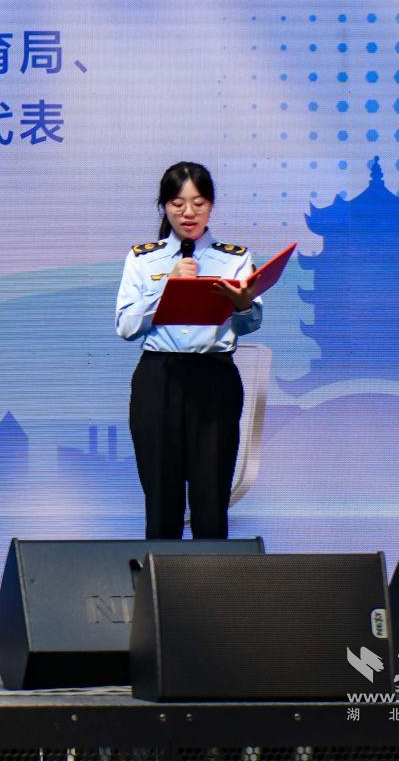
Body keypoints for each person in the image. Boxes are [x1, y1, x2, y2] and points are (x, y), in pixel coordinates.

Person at [116, 160, 262, 540]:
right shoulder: (142, 258)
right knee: (161, 500)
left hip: (214, 378)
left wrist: (243, 304)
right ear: (164, 206)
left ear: (211, 205)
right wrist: (167, 287)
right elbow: (126, 327)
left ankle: (211, 578)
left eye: (198, 203)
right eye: (177, 204)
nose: (188, 213)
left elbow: (249, 325)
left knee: (211, 498)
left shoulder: (234, 258)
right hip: (158, 378)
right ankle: (162, 577)